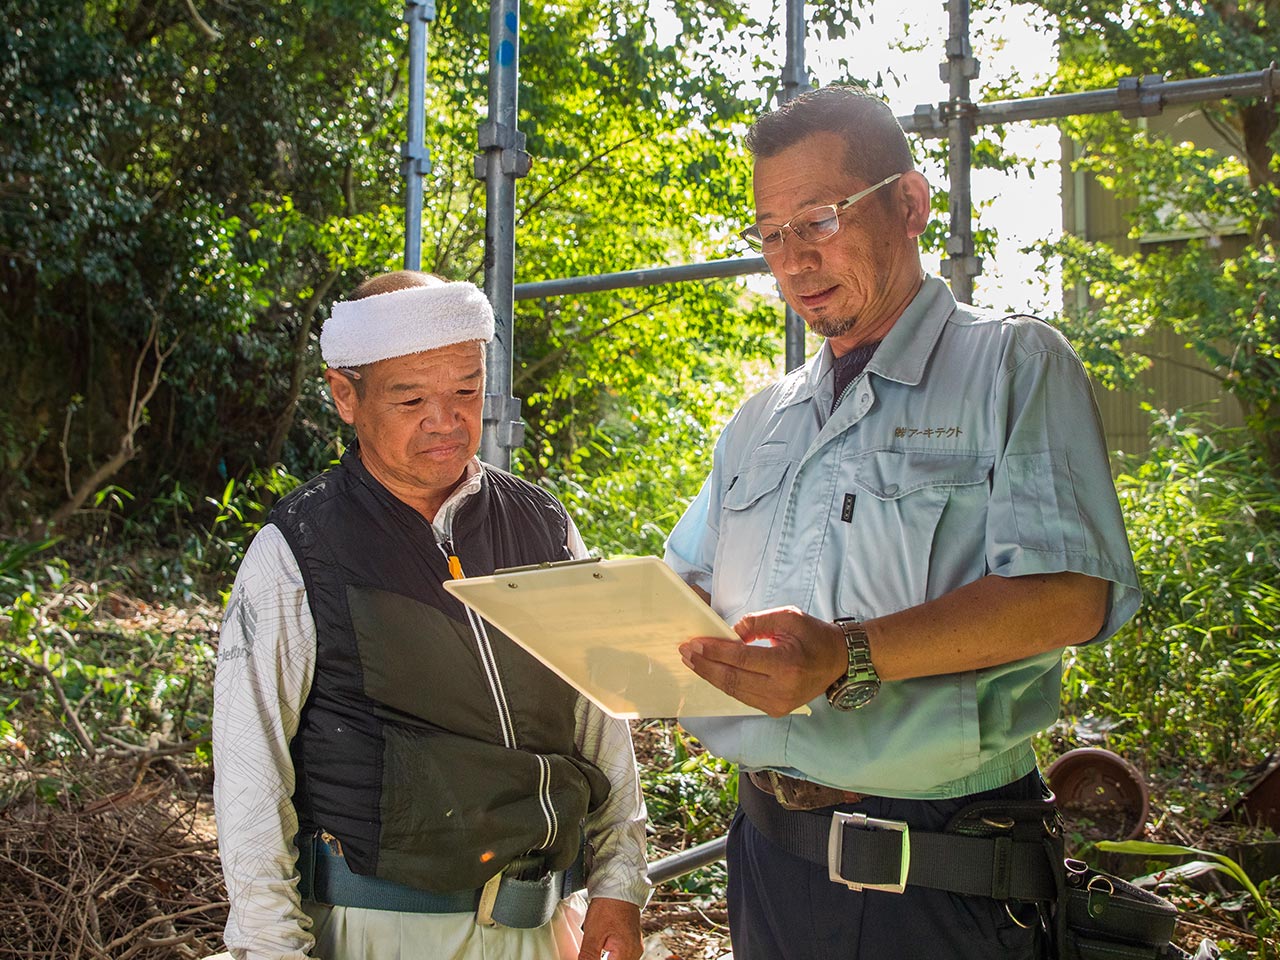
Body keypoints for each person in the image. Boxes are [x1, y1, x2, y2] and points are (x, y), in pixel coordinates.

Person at [664, 86, 1141, 960]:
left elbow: (1071, 595)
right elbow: (687, 580)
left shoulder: (1011, 364)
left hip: (939, 868)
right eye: (771, 234)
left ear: (910, 203)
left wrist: (846, 653)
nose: (794, 261)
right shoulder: (762, 417)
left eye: (818, 219)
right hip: (767, 855)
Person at [213, 271, 648, 960]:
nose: (444, 421)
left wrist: (619, 885)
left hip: (541, 929)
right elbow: (250, 772)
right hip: (377, 932)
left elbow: (601, 725)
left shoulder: (542, 525)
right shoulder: (298, 550)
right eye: (411, 398)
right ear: (344, 395)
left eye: (466, 391)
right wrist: (271, 948)